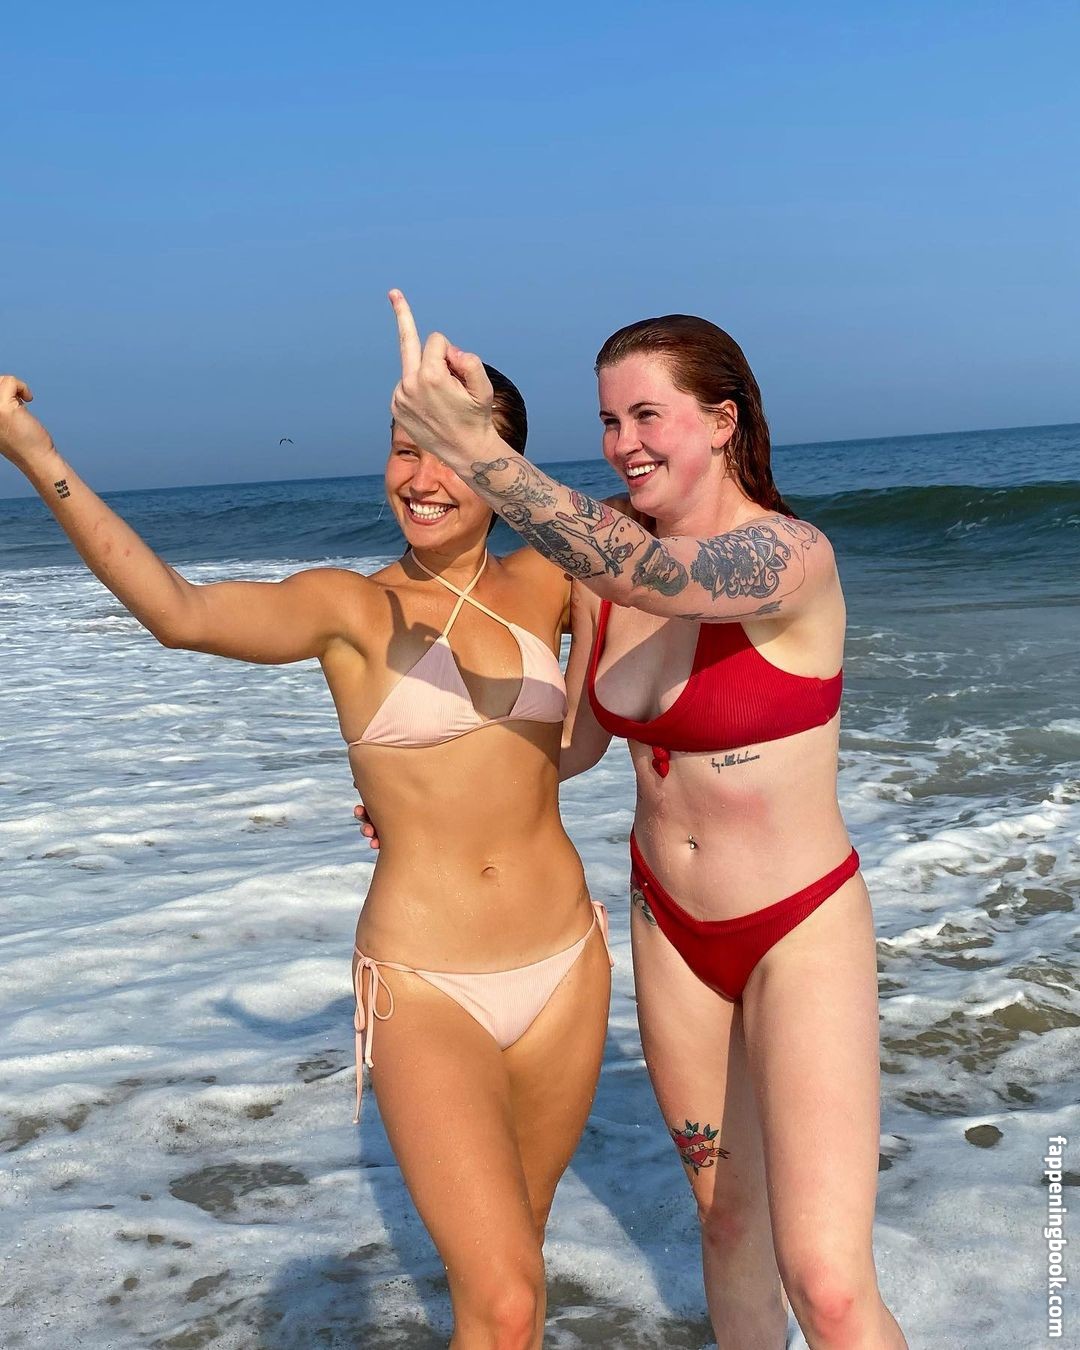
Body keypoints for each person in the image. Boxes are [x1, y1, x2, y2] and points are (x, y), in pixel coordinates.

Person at [0, 369, 613, 1350]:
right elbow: (180, 613)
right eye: (405, 449)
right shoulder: (348, 607)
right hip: (428, 981)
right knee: (503, 1303)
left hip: (568, 965)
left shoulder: (553, 581)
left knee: (515, 1283)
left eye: (456, 455)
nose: (423, 478)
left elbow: (682, 570)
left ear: (505, 469)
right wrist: (33, 451)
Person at [383, 292, 909, 1350]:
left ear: (721, 421)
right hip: (670, 927)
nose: (623, 443)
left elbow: (661, 577)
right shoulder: (608, 565)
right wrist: (430, 783)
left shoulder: (788, 557)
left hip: (797, 925)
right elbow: (576, 742)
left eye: (646, 416)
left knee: (827, 1281)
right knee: (728, 1225)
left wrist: (479, 448)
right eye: (608, 421)